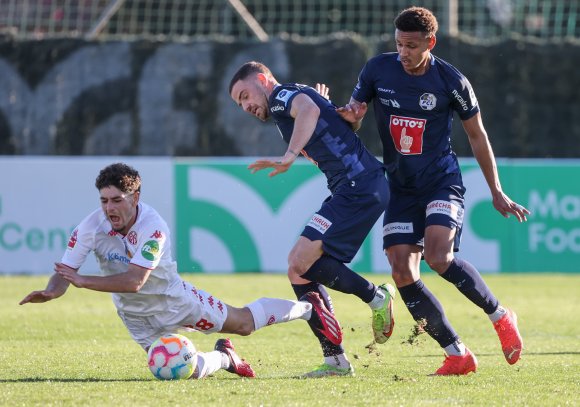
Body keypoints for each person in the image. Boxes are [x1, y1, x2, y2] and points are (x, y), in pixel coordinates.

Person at [336, 6, 529, 375]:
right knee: (402, 271)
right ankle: (457, 353)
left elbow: (477, 135)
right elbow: (357, 110)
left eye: (411, 45)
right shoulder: (378, 69)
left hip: (441, 181)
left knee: (439, 257)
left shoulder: (451, 81)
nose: (403, 52)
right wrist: (351, 115)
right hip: (400, 187)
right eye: (398, 44)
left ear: (430, 42)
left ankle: (501, 316)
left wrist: (497, 191)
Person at [19, 162, 343, 380]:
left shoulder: (153, 227)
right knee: (177, 372)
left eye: (116, 200)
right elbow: (65, 272)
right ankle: (225, 359)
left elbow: (135, 281)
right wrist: (52, 291)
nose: (109, 208)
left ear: (135, 196)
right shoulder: (90, 226)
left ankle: (307, 308)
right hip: (134, 316)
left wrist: (82, 281)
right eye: (104, 201)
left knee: (243, 324)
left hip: (174, 300)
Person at [229, 61, 396, 378]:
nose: (246, 106)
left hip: (357, 187)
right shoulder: (291, 99)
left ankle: (376, 298)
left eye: (245, 95)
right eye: (240, 104)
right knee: (298, 268)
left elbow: (306, 109)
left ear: (263, 80)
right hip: (354, 189)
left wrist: (289, 156)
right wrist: (325, 107)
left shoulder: (280, 97)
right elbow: (318, 113)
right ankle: (336, 359)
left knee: (299, 262)